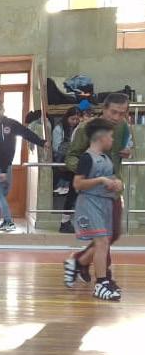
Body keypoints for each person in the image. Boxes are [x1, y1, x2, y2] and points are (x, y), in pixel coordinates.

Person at [64, 92, 135, 289]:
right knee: (104, 237)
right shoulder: (86, 128)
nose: (117, 117)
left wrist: (127, 153)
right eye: (113, 112)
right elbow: (71, 157)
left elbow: (126, 149)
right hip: (93, 192)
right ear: (104, 109)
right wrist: (90, 171)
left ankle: (79, 261)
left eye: (122, 113)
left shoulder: (123, 127)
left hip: (113, 189)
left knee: (113, 234)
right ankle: (103, 278)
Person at [64, 118, 123, 301]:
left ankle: (79, 264)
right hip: (90, 203)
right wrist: (100, 180)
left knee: (103, 242)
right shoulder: (87, 158)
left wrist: (117, 183)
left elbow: (111, 178)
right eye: (111, 136)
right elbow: (77, 183)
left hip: (105, 203)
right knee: (102, 242)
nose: (112, 140)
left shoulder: (105, 158)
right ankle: (101, 283)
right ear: (102, 137)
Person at [0, 100, 46, 229]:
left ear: (3, 110)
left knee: (3, 191)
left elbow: (26, 133)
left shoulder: (11, 124)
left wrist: (41, 142)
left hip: (6, 164)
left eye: (0, 109)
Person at [53, 106, 81, 233]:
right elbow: (57, 148)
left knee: (74, 192)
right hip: (63, 164)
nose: (74, 122)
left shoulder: (79, 129)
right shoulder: (59, 129)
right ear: (67, 118)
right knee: (73, 192)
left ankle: (67, 221)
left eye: (77, 119)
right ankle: (65, 221)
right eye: (72, 119)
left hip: (75, 164)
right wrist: (73, 148)